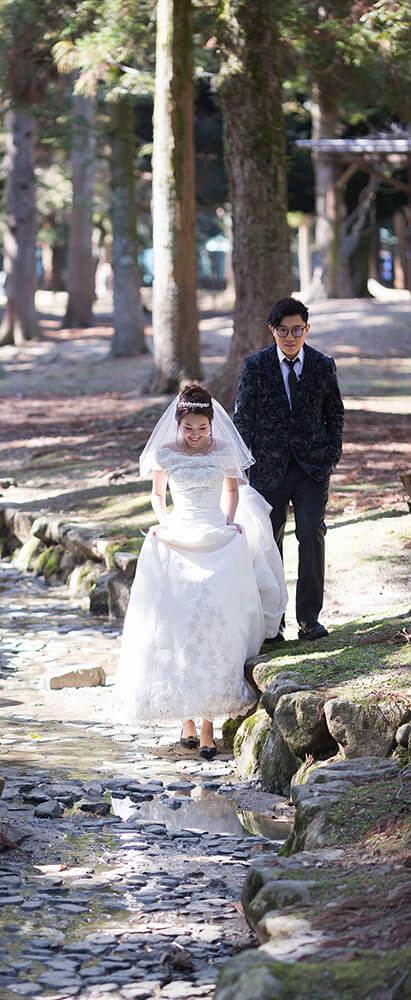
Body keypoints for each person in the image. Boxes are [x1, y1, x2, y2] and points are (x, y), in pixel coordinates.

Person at [113, 384, 287, 759]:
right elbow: (158, 496)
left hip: (214, 535)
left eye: (201, 428)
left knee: (212, 624)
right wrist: (163, 524)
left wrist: (228, 523)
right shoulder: (165, 453)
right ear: (179, 424)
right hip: (178, 534)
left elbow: (233, 492)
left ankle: (208, 724)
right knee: (177, 626)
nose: (195, 435)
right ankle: (186, 721)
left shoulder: (224, 451)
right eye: (189, 428)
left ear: (211, 424)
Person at [233, 297, 344, 642]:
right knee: (269, 543)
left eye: (298, 330)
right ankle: (273, 622)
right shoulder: (256, 366)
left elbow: (335, 414)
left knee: (312, 534)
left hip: (312, 470)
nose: (291, 337)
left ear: (307, 329)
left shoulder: (323, 365)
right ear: (272, 330)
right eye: (283, 330)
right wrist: (244, 462)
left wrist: (330, 455)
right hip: (268, 470)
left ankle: (309, 619)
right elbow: (243, 418)